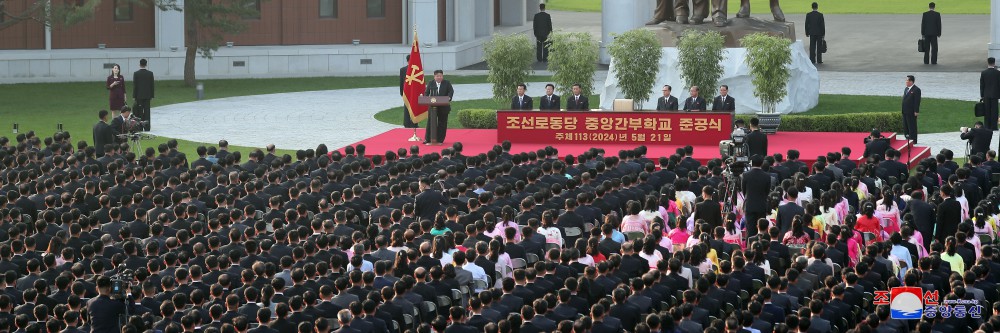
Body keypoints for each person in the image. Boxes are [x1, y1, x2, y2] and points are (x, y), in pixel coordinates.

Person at [742, 155, 772, 237]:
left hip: (750, 205)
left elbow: (744, 191)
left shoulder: (745, 175)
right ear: (762, 163)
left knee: (750, 229)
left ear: (751, 163)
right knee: (761, 229)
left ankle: (750, 247)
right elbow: (767, 191)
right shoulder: (767, 176)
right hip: (762, 205)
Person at [424, 69, 454, 144]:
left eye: (440, 76)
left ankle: (440, 139)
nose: (439, 77)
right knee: (430, 122)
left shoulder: (447, 83)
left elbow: (451, 91)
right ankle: (427, 139)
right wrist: (425, 98)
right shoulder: (431, 83)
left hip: (443, 107)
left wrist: (449, 97)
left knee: (442, 123)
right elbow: (426, 93)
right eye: (437, 76)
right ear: (434, 76)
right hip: (432, 107)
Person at [132, 58, 154, 131]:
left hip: (139, 96)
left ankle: (140, 127)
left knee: (140, 111)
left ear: (139, 64)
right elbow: (152, 85)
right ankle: (147, 127)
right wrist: (152, 95)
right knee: (147, 111)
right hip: (148, 95)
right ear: (146, 64)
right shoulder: (150, 73)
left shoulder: (136, 73)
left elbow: (135, 85)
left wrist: (134, 96)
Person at [981, 57, 1000, 130]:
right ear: (994, 63)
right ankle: (994, 126)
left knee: (987, 111)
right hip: (995, 94)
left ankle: (987, 126)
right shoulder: (997, 73)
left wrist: (982, 95)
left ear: (987, 62)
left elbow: (982, 85)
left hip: (986, 94)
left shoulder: (984, 73)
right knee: (994, 111)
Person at [902, 75, 921, 144]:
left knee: (912, 126)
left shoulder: (916, 90)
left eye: (907, 80)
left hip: (911, 112)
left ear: (911, 81)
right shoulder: (906, 89)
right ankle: (907, 138)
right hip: (905, 111)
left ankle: (913, 140)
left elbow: (917, 101)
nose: (906, 82)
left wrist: (916, 111)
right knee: (905, 126)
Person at [400, 55, 417, 129]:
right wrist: (402, 92)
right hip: (407, 92)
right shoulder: (403, 70)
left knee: (415, 108)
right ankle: (406, 123)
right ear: (408, 61)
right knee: (407, 108)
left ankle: (414, 123)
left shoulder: (418, 69)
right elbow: (401, 82)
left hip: (415, 92)